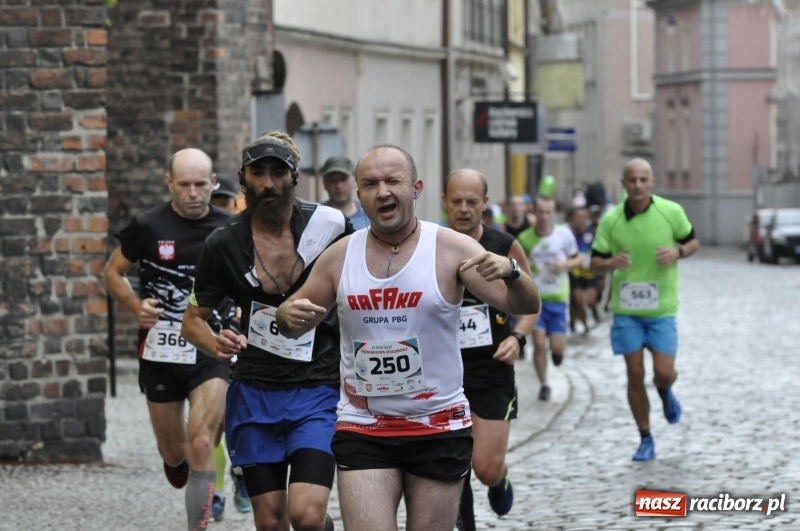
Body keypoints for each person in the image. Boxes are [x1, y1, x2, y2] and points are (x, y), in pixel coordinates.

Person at [274, 144, 540, 531]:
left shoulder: (451, 248)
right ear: (359, 193)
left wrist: (512, 271)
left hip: (438, 425)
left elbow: (524, 305)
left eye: (392, 180)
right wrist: (287, 315)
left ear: (415, 188)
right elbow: (290, 320)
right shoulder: (339, 256)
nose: (382, 191)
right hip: (363, 425)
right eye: (370, 183)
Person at [181, 131, 353, 531]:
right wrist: (216, 341)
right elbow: (192, 321)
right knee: (271, 521)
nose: (269, 183)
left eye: (279, 172)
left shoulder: (329, 227)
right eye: (259, 172)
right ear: (243, 177)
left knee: (307, 517)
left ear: (295, 178)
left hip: (317, 389)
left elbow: (361, 291)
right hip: (255, 393)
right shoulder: (222, 243)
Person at [103, 148, 233, 531]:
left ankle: (200, 526)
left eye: (200, 184)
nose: (193, 193)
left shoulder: (231, 228)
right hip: (161, 349)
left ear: (213, 183)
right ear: (169, 184)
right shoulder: (148, 225)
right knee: (175, 454)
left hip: (211, 346)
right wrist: (135, 304)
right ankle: (179, 465)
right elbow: (113, 272)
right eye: (184, 185)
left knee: (200, 441)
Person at [441, 169, 540, 530]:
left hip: (492, 373)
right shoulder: (434, 244)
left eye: (472, 202)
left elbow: (532, 303)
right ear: (444, 202)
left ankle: (500, 479)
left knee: (485, 467)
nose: (464, 209)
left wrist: (518, 338)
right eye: (456, 201)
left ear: (485, 203)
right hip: (446, 375)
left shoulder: (503, 244)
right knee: (454, 467)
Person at [590, 158, 699, 461]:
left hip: (661, 309)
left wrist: (677, 252)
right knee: (634, 372)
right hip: (626, 310)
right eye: (632, 180)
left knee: (663, 373)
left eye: (643, 179)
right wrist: (611, 263)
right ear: (624, 184)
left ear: (651, 182)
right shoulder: (611, 221)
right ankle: (645, 437)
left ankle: (665, 391)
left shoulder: (671, 212)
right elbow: (594, 261)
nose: (637, 185)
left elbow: (693, 242)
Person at [517, 196, 583, 401]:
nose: (544, 216)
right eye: (540, 212)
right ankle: (544, 384)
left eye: (548, 212)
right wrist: (524, 262)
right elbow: (516, 263)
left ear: (553, 213)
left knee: (556, 348)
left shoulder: (564, 235)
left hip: (558, 298)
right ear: (534, 213)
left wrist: (566, 265)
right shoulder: (525, 238)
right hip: (536, 300)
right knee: (537, 342)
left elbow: (579, 258)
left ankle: (557, 354)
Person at [566, 206, 601, 334]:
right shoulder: (569, 234)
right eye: (577, 217)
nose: (580, 220)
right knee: (578, 301)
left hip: (590, 272)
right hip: (575, 272)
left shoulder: (593, 232)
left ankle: (593, 309)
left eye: (582, 216)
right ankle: (584, 324)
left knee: (590, 300)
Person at [321, 155, 369, 230]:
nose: (338, 186)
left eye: (343, 179)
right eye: (333, 180)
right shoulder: (315, 217)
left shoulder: (369, 217)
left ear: (355, 181)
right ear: (325, 184)